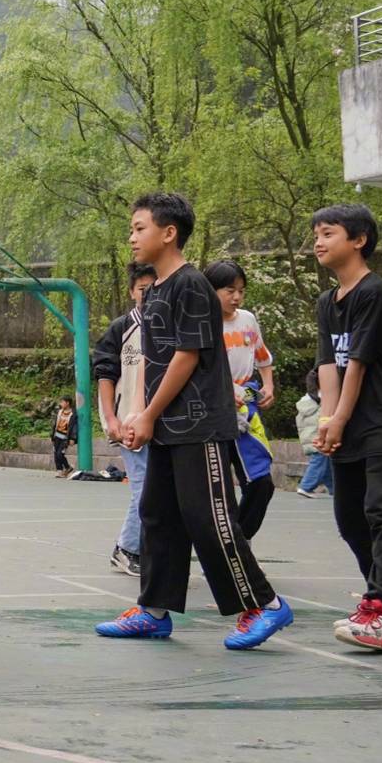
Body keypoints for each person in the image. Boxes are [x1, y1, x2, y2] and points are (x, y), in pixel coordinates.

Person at [94, 193, 292, 650]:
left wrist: (151, 412)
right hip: (163, 426)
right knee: (157, 515)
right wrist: (136, 414)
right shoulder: (157, 289)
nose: (131, 236)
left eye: (139, 227)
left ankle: (264, 604)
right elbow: (148, 357)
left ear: (168, 233)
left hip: (198, 425)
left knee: (209, 518)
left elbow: (187, 357)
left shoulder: (192, 285)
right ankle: (154, 610)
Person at [307, 205, 382, 652]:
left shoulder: (375, 293)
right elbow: (328, 365)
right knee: (351, 518)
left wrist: (339, 418)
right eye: (316, 235)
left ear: (358, 240)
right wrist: (328, 421)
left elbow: (357, 362)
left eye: (328, 233)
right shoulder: (327, 302)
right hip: (351, 428)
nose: (318, 242)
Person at [204, 260, 278, 540]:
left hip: (247, 411)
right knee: (218, 490)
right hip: (214, 413)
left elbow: (263, 357)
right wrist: (222, 392)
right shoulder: (201, 323)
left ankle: (239, 540)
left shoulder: (247, 319)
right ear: (210, 291)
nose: (236, 297)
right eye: (229, 290)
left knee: (261, 482)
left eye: (241, 291)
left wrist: (268, 385)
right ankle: (225, 549)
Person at [93, 262, 156, 576]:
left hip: (161, 422)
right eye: (143, 289)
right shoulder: (121, 328)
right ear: (132, 291)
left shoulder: (169, 324)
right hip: (128, 422)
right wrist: (111, 419)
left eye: (154, 288)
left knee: (160, 490)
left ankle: (150, 549)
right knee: (143, 487)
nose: (148, 294)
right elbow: (105, 375)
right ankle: (126, 548)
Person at [295, 368, 334, 498]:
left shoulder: (307, 400)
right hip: (318, 438)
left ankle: (334, 488)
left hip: (309, 437)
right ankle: (306, 486)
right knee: (319, 462)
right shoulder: (323, 399)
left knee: (327, 464)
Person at [50, 397, 78, 477]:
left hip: (65, 438)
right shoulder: (59, 412)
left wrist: (73, 438)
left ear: (67, 403)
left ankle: (67, 467)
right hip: (57, 436)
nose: (60, 404)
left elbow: (74, 427)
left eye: (62, 402)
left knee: (60, 454)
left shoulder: (73, 414)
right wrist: (52, 436)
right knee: (55, 453)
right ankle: (59, 470)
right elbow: (55, 424)